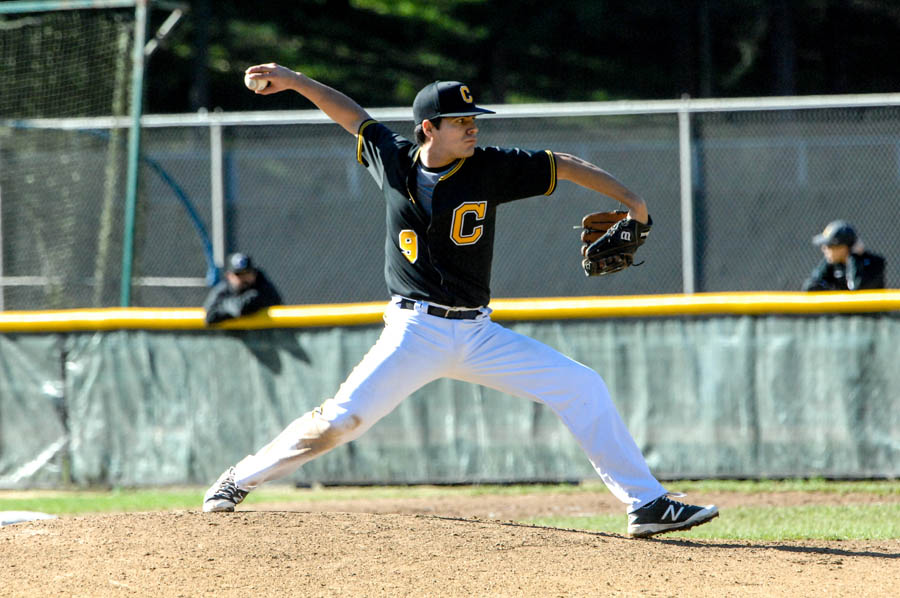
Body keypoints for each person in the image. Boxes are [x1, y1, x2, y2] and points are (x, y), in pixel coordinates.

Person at [202, 64, 719, 538]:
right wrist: (293, 80)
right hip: (414, 332)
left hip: (477, 334)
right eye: (461, 122)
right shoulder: (393, 158)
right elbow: (350, 114)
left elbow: (562, 164)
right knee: (340, 422)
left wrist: (634, 202)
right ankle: (238, 479)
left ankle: (646, 504)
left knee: (582, 385)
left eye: (474, 120)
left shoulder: (489, 167)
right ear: (429, 128)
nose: (473, 129)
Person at [802, 220, 886, 291]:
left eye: (829, 246)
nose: (824, 249)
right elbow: (809, 287)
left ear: (844, 247)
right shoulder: (832, 264)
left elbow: (857, 288)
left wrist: (854, 256)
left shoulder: (873, 263)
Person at [203, 252, 283, 324]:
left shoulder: (262, 285)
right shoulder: (223, 288)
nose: (244, 278)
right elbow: (209, 317)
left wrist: (224, 304)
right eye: (239, 274)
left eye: (247, 273)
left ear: (254, 273)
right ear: (229, 276)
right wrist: (230, 307)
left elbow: (243, 307)